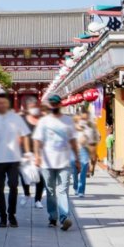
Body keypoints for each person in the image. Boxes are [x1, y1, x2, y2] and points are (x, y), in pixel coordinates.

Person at [0, 93, 31, 228]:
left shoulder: (16, 118)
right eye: (0, 103)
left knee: (13, 185)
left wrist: (27, 152)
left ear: (8, 104)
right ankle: (2, 216)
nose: (2, 105)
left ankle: (12, 214)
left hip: (14, 158)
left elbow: (25, 135)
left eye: (5, 102)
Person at [34, 97, 79, 231]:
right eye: (52, 104)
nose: (53, 106)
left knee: (63, 191)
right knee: (51, 191)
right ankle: (53, 217)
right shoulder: (43, 121)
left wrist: (77, 159)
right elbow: (37, 140)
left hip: (64, 161)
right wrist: (37, 156)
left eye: (55, 103)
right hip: (47, 162)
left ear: (60, 104)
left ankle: (64, 218)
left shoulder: (68, 121)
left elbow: (73, 141)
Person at [20, 100, 46, 206]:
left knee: (40, 176)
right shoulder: (22, 120)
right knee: (25, 174)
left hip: (40, 151)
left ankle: (37, 200)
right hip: (24, 151)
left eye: (35, 106)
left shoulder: (43, 119)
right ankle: (26, 193)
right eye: (31, 106)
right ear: (27, 108)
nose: (34, 108)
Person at [73, 110, 98, 197]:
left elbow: (94, 142)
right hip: (74, 150)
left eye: (86, 118)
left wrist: (93, 156)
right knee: (74, 171)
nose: (84, 120)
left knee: (83, 169)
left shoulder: (91, 127)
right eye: (82, 118)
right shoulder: (73, 126)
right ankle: (75, 186)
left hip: (84, 150)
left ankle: (81, 191)